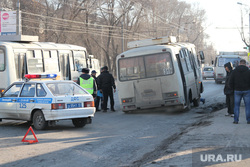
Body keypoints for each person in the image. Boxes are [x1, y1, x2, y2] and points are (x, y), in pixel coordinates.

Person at [229, 59, 250, 124]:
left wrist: (233, 89)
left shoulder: (234, 71)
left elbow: (230, 82)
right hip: (247, 90)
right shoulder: (248, 72)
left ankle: (236, 120)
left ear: (239, 64)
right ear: (245, 64)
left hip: (237, 91)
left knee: (236, 106)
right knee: (248, 106)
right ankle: (248, 120)